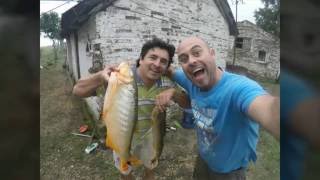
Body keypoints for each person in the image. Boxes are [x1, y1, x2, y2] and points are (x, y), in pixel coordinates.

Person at [155, 36, 280, 180]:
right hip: (204, 158)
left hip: (229, 171)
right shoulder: (191, 80)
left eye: (197, 53)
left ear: (212, 54)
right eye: (184, 59)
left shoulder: (238, 89)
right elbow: (168, 71)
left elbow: (269, 109)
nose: (191, 61)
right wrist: (140, 66)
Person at [73, 37, 189, 180]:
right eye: (153, 57)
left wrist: (174, 93)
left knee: (150, 170)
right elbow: (78, 90)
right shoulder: (121, 78)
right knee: (126, 174)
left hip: (150, 139)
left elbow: (188, 103)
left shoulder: (167, 83)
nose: (157, 64)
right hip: (121, 137)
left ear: (167, 67)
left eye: (163, 61)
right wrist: (100, 77)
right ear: (141, 59)